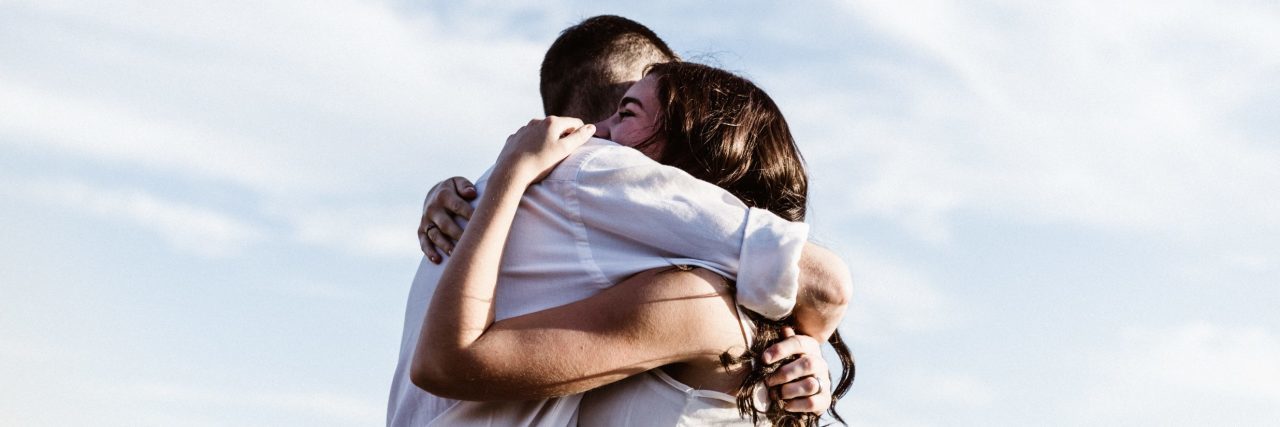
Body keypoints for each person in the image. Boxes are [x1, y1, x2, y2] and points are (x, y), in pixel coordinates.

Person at [387, 16, 852, 426]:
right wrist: (806, 341)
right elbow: (824, 286)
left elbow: (821, 284)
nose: (596, 137)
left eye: (627, 113)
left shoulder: (693, 297)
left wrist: (800, 345)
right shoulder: (591, 178)